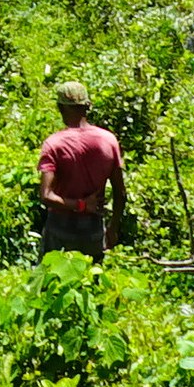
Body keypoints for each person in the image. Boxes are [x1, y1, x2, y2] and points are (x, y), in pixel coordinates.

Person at [36, 80, 127, 259]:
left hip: (60, 228)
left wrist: (81, 205)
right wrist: (113, 228)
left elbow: (46, 195)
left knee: (53, 281)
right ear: (87, 107)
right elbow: (120, 192)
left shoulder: (54, 144)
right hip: (92, 229)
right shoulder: (108, 141)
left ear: (60, 108)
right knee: (91, 281)